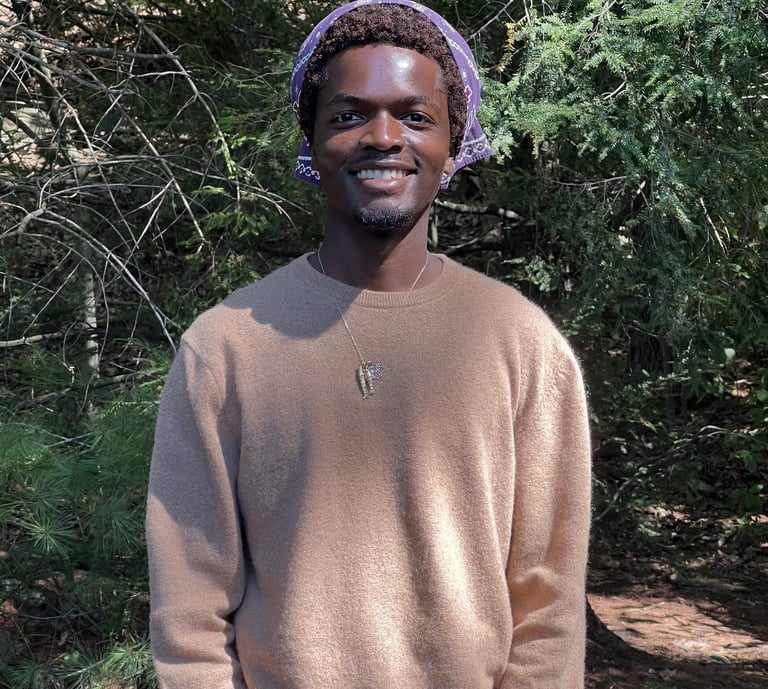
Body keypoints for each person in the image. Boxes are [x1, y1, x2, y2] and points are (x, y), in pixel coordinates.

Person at [146, 2, 592, 688]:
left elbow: (548, 603)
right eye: (349, 115)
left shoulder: (523, 344)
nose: (383, 137)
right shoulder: (224, 347)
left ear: (453, 145)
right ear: (313, 142)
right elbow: (190, 610)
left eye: (415, 116)